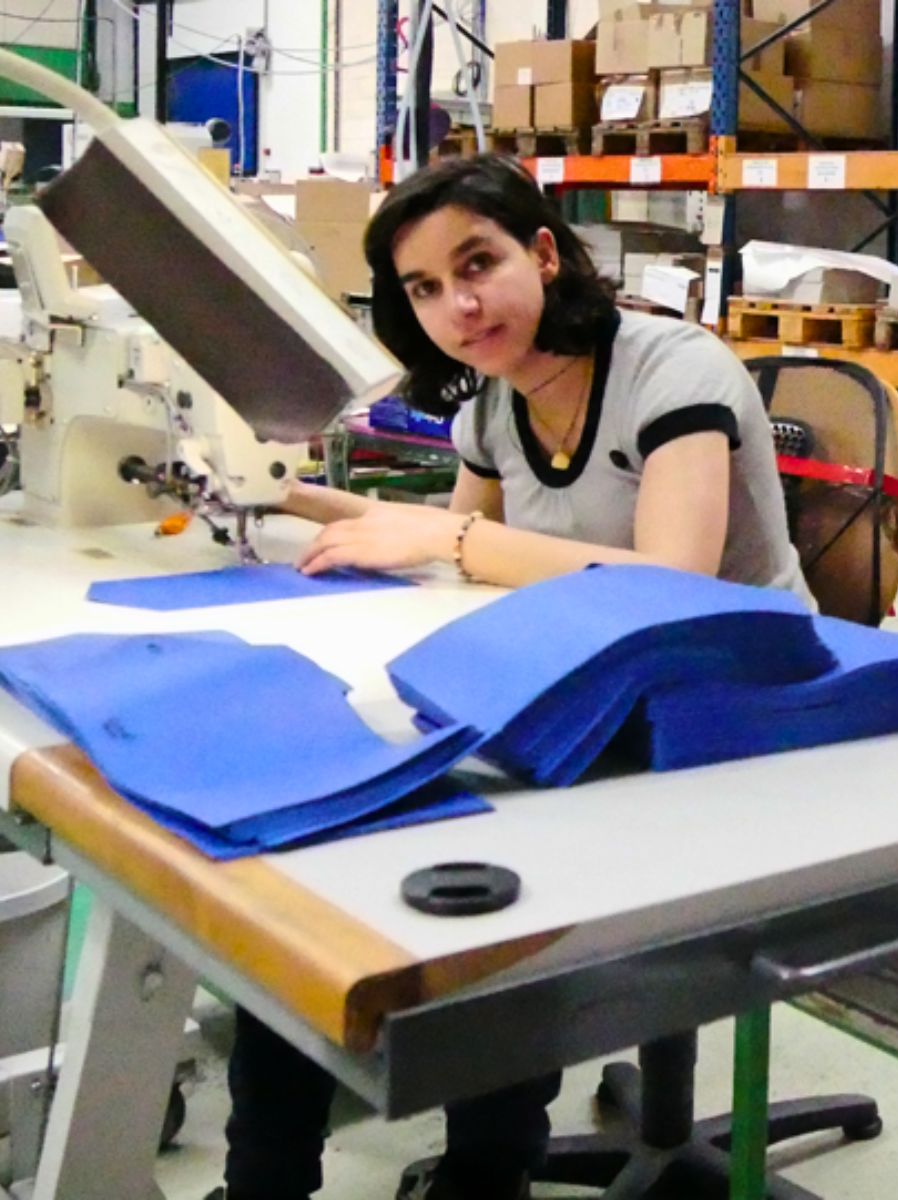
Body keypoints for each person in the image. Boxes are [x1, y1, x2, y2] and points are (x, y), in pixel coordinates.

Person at [209, 155, 809, 1200]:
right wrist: (285, 493)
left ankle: (487, 1173)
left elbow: (670, 584)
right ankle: (268, 1180)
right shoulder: (496, 408)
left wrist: (451, 539)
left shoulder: (676, 371)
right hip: (583, 689)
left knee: (495, 885)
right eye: (425, 288)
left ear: (543, 252)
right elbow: (455, 559)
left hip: (732, 705)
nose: (458, 305)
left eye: (477, 264)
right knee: (314, 847)